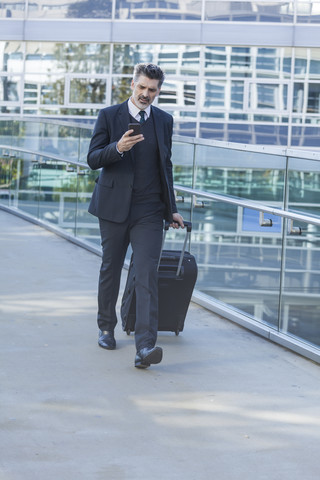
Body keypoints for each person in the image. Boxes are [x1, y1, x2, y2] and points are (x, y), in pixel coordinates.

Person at [87, 63, 184, 369]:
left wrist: (172, 208)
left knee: (145, 274)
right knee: (111, 269)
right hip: (113, 207)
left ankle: (145, 346)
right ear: (133, 84)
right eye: (141, 87)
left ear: (158, 91)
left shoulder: (164, 121)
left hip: (149, 210)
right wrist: (117, 147)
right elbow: (92, 159)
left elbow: (165, 166)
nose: (146, 94)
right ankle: (106, 327)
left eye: (152, 90)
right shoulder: (108, 116)